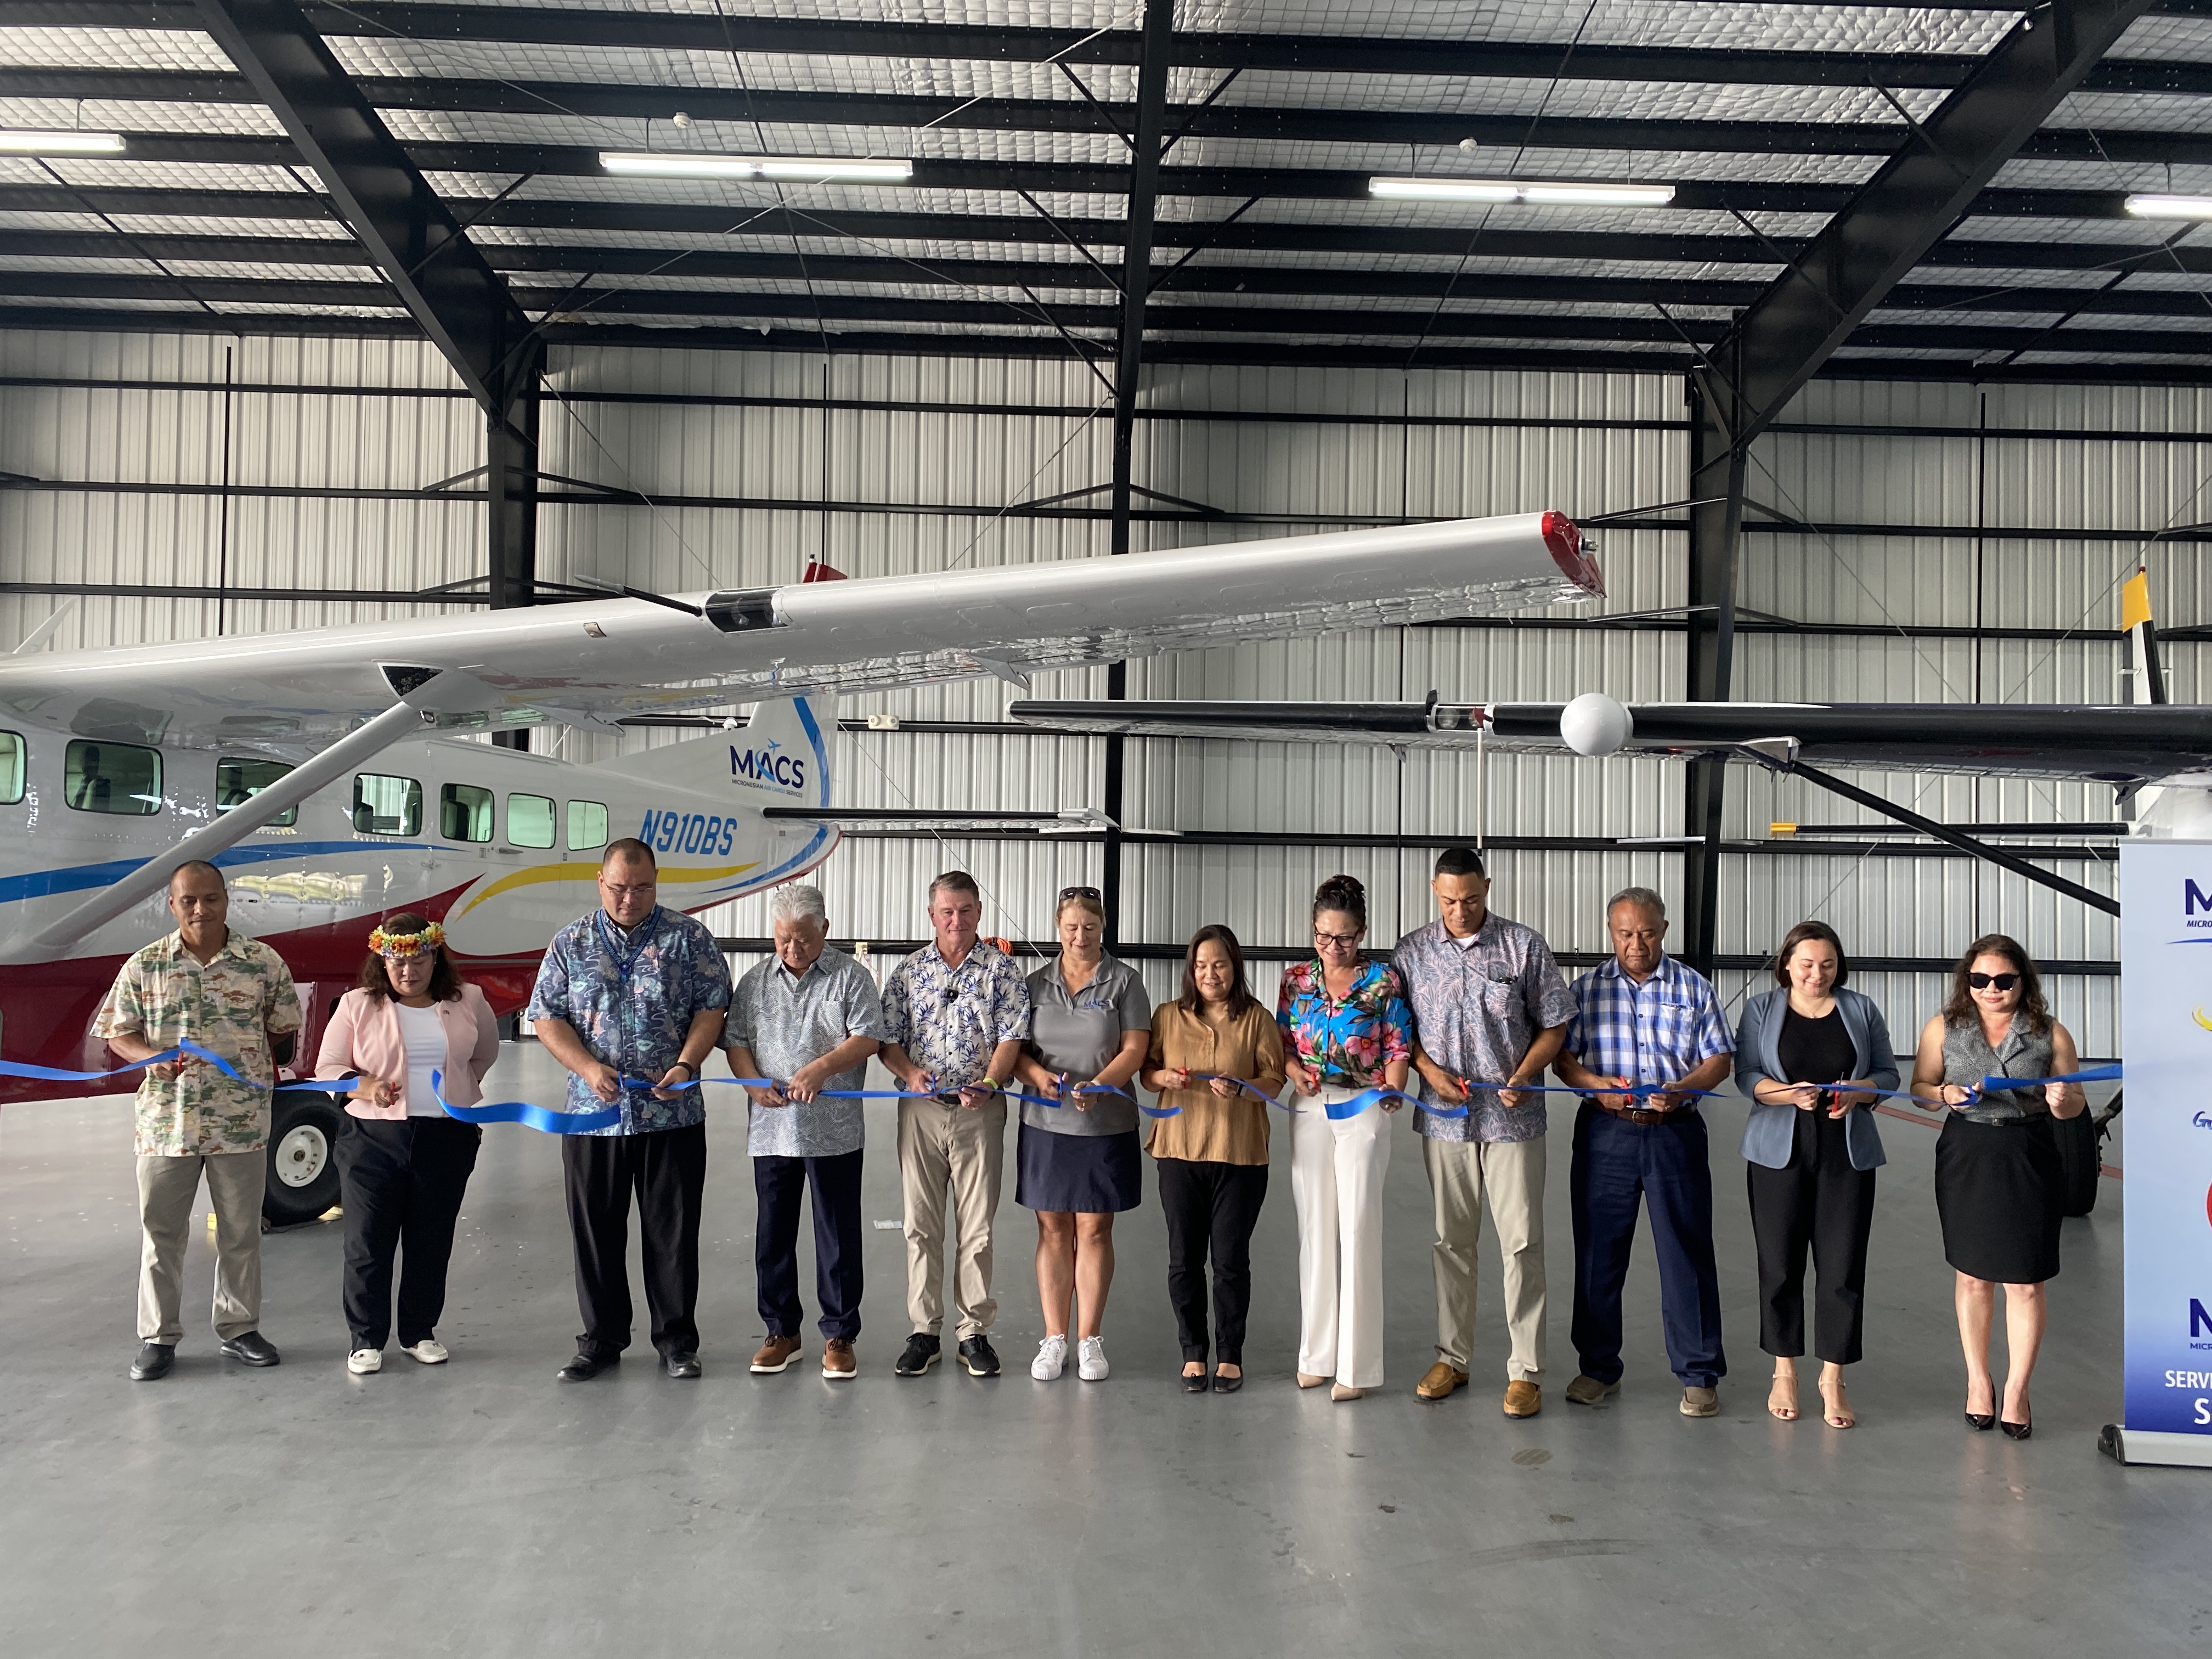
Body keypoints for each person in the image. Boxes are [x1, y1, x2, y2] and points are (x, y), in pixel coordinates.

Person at [528, 839, 730, 1383]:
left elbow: (713, 1008)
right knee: (595, 1231)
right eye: (619, 887)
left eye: (641, 888)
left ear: (656, 883)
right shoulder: (570, 943)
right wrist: (588, 1069)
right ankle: (601, 1339)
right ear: (601, 882)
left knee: (673, 1231)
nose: (629, 898)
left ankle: (676, 1341)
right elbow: (547, 1018)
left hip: (673, 1116)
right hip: (593, 1117)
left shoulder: (688, 940)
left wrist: (687, 1064)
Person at [95, 860, 302, 1381]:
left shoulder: (262, 962)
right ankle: (158, 1338)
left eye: (210, 899)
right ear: (172, 905)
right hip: (167, 1125)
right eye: (188, 900)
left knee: (241, 1232)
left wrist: (242, 1061)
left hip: (240, 1123)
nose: (200, 909)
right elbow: (117, 1033)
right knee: (161, 1235)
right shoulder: (145, 965)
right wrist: (147, 1055)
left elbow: (281, 1027)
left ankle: (238, 1329)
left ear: (227, 900)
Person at [1392, 847, 1576, 1418]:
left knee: (1521, 1244)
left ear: (1487, 888)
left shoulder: (1524, 946)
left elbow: (1555, 1024)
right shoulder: (1413, 953)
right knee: (1452, 1241)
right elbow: (1399, 1031)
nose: (1460, 910)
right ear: (1434, 891)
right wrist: (1427, 1072)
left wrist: (1525, 1072)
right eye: (1449, 900)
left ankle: (1526, 1372)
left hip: (1514, 1122)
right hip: (1444, 1122)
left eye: (1471, 899)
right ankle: (1453, 1357)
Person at [1554, 887, 1735, 1418]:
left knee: (1686, 1252)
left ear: (1665, 929)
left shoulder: (1693, 988)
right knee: (1598, 1256)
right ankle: (1597, 1368)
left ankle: (1700, 1373)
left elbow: (1719, 1058)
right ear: (1611, 932)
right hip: (1606, 1133)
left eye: (1648, 933)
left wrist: (1683, 1089)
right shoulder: (1586, 990)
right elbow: (1563, 1060)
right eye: (1625, 933)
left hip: (1674, 1134)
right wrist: (1596, 1086)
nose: (1637, 944)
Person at [1910, 934, 2087, 1442]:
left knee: (2027, 1282)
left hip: (2027, 1155)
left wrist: (2061, 1100)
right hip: (1967, 1155)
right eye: (1980, 979)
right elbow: (1920, 1089)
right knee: (1973, 1278)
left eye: (2004, 980)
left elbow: (2073, 1107)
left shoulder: (2051, 1034)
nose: (1991, 989)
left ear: (2022, 983)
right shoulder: (1944, 1028)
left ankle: (2017, 1388)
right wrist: (1942, 1092)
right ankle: (1978, 1380)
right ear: (1967, 982)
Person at [315, 913, 501, 1375]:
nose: (408, 971)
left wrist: (460, 1087)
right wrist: (364, 1087)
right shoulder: (358, 1004)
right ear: (382, 961)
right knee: (367, 1242)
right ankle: (366, 1338)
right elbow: (328, 1066)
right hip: (372, 1140)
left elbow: (485, 1053)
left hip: (445, 1136)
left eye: (419, 960)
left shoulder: (469, 1000)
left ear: (435, 957)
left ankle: (419, 1331)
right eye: (397, 962)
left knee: (431, 1240)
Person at [1734, 921, 1897, 1430]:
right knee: (1779, 1264)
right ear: (1786, 964)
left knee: (1842, 1265)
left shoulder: (1861, 1009)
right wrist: (1787, 1094)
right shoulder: (1761, 1010)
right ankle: (1784, 1370)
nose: (1816, 975)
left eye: (1827, 965)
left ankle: (1833, 1376)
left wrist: (1859, 1092)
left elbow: (1890, 1077)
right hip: (1778, 1150)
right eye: (1806, 964)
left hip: (1845, 1153)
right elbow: (1747, 1076)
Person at [725, 884, 886, 1382]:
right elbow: (735, 1041)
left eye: (803, 940)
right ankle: (781, 1331)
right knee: (773, 1233)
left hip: (833, 1131)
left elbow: (868, 1038)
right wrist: (752, 1084)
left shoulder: (850, 978)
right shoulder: (754, 983)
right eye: (782, 939)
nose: (792, 950)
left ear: (825, 931)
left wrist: (821, 1069)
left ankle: (840, 1333)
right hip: (772, 1130)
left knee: (836, 1235)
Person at [879, 871, 1031, 1379]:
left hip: (979, 1112)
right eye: (946, 911)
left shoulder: (1002, 972)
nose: (956, 920)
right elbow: (889, 1040)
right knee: (920, 1225)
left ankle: (974, 1332)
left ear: (979, 912)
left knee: (978, 1229)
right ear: (931, 915)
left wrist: (991, 1080)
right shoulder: (908, 973)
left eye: (965, 910)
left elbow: (1012, 1037)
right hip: (921, 1112)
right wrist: (909, 1072)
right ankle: (925, 1331)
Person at [1278, 873, 1413, 1402]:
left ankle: (1356, 1368)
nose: (1333, 948)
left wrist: (1392, 1094)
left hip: (1365, 1106)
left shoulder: (1383, 983)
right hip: (1309, 1106)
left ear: (1363, 933)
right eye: (1324, 936)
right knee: (1316, 1227)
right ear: (1313, 930)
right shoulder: (1295, 980)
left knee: (1357, 1227)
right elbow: (1284, 1042)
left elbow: (1398, 1048)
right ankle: (1316, 1355)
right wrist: (1294, 1072)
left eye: (1345, 938)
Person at [1011, 887, 1152, 1383]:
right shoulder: (1033, 984)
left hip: (1105, 1124)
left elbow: (1135, 1049)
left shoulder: (1125, 982)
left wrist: (1102, 1085)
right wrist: (1037, 1077)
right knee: (1052, 1230)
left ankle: (1089, 1339)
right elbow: (1017, 1051)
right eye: (1071, 927)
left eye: (1089, 927)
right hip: (1046, 1124)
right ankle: (1054, 1338)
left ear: (1103, 926)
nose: (1080, 936)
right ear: (1057, 927)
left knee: (1093, 1230)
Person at [1142, 924, 1286, 1394]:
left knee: (1229, 1261)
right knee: (1183, 1259)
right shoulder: (1167, 1016)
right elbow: (1146, 1074)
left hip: (1239, 1154)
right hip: (1178, 1152)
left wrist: (1242, 1088)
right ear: (1191, 969)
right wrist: (1165, 1077)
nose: (1210, 974)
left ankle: (1230, 1354)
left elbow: (1274, 1080)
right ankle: (1192, 1351)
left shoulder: (1257, 1019)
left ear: (1235, 968)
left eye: (1220, 964)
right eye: (1201, 965)